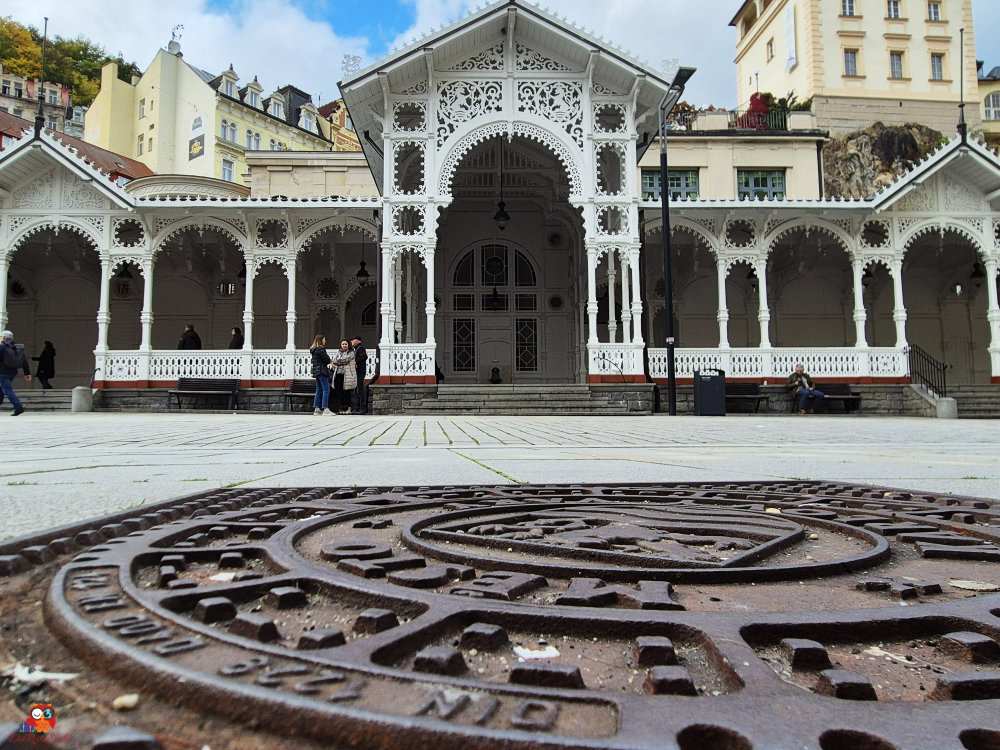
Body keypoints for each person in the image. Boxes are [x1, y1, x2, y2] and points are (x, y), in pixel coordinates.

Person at [0, 330, 31, 416]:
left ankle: (18, 407)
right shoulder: (17, 347)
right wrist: (27, 373)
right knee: (1, 389)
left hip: (2, 372)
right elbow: (24, 360)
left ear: (3, 337)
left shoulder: (2, 346)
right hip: (13, 372)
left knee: (7, 389)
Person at [309, 334, 334, 416]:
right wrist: (331, 362)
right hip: (322, 371)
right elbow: (326, 359)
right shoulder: (320, 349)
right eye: (324, 339)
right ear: (320, 340)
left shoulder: (314, 350)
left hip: (317, 372)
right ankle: (325, 408)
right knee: (326, 390)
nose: (325, 341)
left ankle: (317, 409)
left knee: (319, 390)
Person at [331, 339, 357, 415]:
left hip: (347, 374)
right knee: (339, 392)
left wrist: (338, 362)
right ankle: (341, 408)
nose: (344, 345)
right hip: (338, 374)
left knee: (347, 392)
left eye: (346, 344)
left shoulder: (351, 352)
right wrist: (339, 361)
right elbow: (334, 360)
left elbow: (346, 360)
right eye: (343, 344)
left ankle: (348, 408)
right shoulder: (338, 352)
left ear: (348, 345)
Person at [350, 336, 367, 414]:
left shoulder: (360, 348)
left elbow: (364, 356)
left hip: (360, 371)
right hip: (357, 372)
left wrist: (356, 361)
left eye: (352, 341)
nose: (351, 342)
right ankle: (357, 408)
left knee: (360, 390)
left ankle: (362, 408)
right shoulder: (356, 349)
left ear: (356, 341)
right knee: (356, 390)